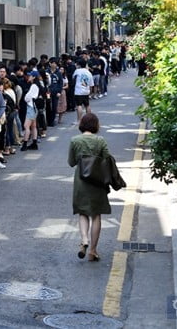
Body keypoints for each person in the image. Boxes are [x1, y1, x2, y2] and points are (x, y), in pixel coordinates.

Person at [67, 113, 111, 262]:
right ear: (96, 125)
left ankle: (84, 239)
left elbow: (71, 162)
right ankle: (93, 250)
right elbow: (107, 159)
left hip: (81, 180)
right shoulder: (100, 141)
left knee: (82, 212)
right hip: (97, 180)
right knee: (96, 214)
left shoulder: (75, 140)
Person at [21, 70, 40, 151]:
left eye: (30, 75)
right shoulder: (37, 85)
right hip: (35, 107)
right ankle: (34, 143)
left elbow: (27, 97)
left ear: (34, 77)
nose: (29, 77)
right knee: (33, 126)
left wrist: (26, 97)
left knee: (26, 126)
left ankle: (25, 144)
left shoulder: (33, 86)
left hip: (31, 107)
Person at [72, 59, 94, 124]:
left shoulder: (77, 71)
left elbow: (73, 77)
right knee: (87, 105)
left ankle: (79, 120)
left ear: (79, 65)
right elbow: (91, 84)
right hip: (86, 90)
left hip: (79, 90)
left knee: (79, 105)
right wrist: (90, 91)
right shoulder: (88, 72)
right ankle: (89, 120)